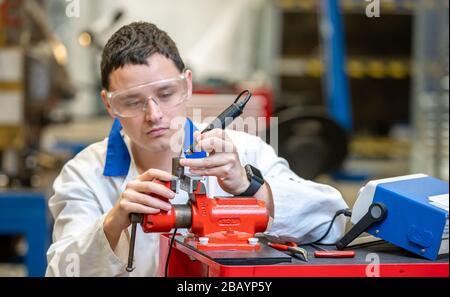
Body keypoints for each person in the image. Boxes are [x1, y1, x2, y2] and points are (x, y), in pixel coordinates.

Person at [46, 22, 348, 277]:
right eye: (133, 102)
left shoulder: (245, 153)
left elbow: (334, 221)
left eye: (166, 94)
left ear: (187, 85)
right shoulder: (84, 173)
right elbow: (62, 270)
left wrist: (249, 187)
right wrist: (112, 224)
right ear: (109, 104)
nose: (154, 114)